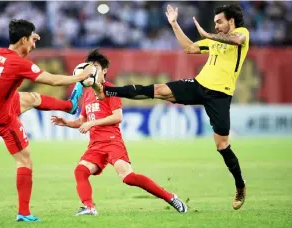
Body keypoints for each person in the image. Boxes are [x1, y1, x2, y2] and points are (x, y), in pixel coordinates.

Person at [93, 4, 248, 210]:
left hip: (220, 95)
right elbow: (189, 48)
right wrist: (174, 24)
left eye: (219, 22)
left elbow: (238, 40)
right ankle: (108, 91)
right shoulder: (214, 42)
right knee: (157, 90)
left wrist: (207, 34)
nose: (217, 26)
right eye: (214, 23)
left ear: (231, 21)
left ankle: (240, 185)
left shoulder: (241, 33)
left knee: (222, 145)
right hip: (199, 85)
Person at [0, 19, 94, 222]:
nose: (34, 43)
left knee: (32, 98)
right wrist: (80, 77)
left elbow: (15, 59)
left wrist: (28, 38)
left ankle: (71, 106)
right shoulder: (18, 64)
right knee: (25, 161)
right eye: (32, 39)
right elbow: (53, 80)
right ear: (23, 39)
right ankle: (23, 213)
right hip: (1, 118)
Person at [51, 49, 188, 216]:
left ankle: (170, 197)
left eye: (95, 67)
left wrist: (92, 123)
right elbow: (82, 121)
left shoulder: (111, 90)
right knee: (80, 171)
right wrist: (67, 123)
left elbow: (118, 117)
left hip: (111, 141)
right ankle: (89, 207)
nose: (91, 70)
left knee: (128, 178)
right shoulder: (87, 94)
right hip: (95, 145)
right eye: (89, 67)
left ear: (104, 71)